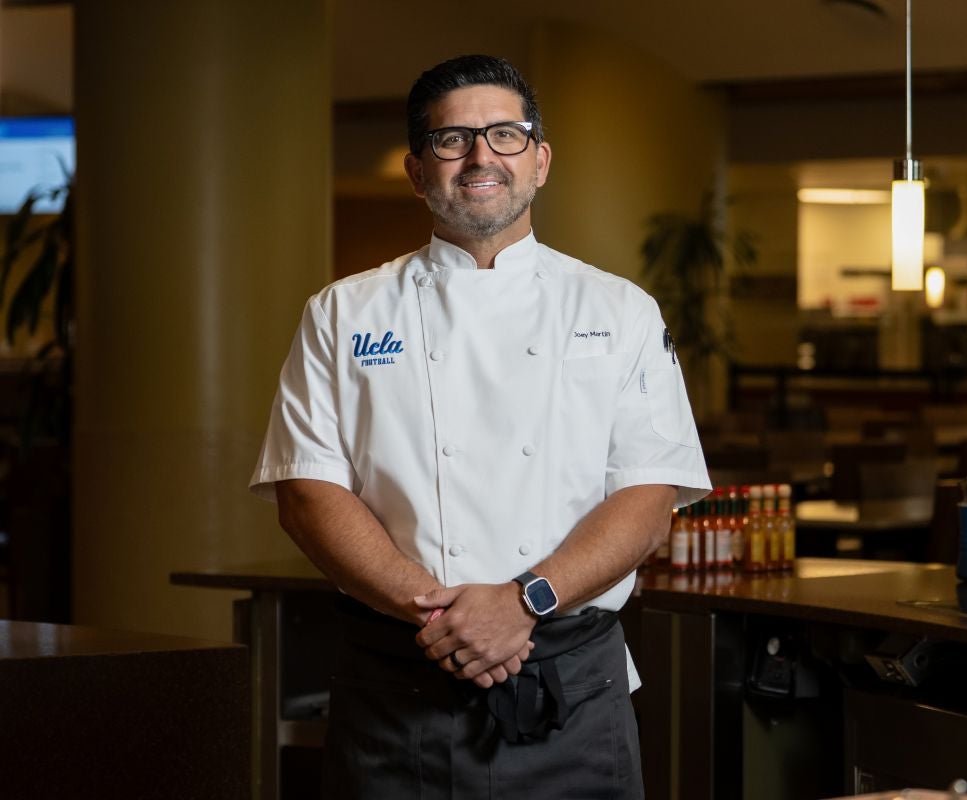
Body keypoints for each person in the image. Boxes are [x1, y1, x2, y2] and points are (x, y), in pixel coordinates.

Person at [250, 54, 710, 799]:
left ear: (540, 161)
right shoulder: (344, 312)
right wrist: (442, 614)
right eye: (452, 140)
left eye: (505, 134)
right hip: (400, 689)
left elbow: (647, 499)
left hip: (571, 693)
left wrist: (521, 600)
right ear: (415, 169)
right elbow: (309, 494)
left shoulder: (619, 311)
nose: (480, 157)